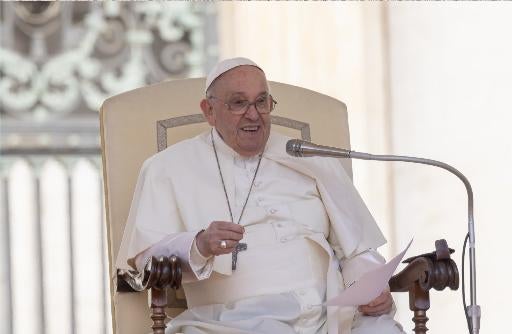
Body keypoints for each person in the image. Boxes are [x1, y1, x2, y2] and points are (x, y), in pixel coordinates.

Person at [116, 57, 404, 334]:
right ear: (209, 111)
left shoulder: (308, 157)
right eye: (239, 103)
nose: (253, 114)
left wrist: (373, 289)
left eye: (261, 101)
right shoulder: (168, 168)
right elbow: (145, 262)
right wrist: (199, 244)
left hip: (332, 315)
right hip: (235, 321)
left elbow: (357, 249)